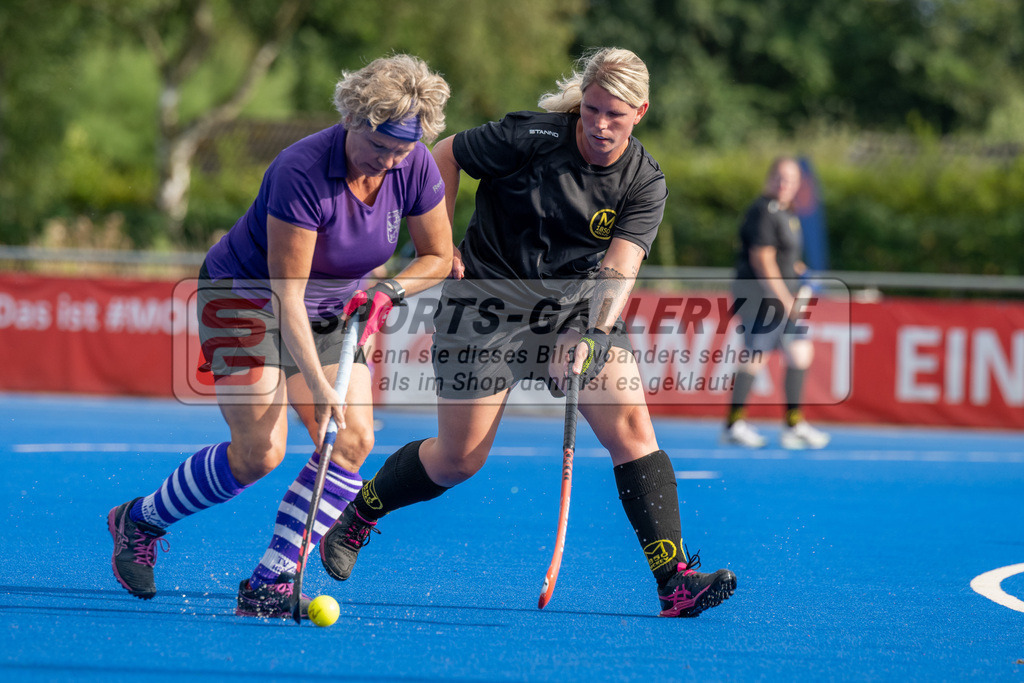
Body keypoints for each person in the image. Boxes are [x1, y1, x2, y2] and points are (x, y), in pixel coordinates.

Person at [318, 47, 737, 618]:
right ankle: (362, 511)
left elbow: (619, 269)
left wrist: (591, 333)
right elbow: (443, 154)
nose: (600, 125)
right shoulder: (530, 135)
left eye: (615, 114)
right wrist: (435, 243)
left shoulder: (644, 181)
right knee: (459, 460)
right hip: (483, 307)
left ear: (641, 111)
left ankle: (674, 580)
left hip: (572, 314)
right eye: (591, 110)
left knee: (634, 427)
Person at [107, 54, 453, 618]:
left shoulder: (413, 165)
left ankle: (273, 577)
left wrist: (390, 291)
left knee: (351, 440)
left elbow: (439, 256)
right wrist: (319, 383)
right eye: (380, 147)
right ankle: (139, 520)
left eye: (402, 149)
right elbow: (287, 297)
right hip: (248, 299)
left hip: (338, 305)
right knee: (259, 453)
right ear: (354, 122)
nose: (390, 162)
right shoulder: (302, 170)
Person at [721, 157, 831, 450]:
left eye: (791, 180)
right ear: (770, 179)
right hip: (761, 297)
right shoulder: (764, 211)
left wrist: (802, 272)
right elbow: (763, 259)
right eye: (780, 178)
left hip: (781, 297)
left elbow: (785, 259)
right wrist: (785, 298)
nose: (784, 184)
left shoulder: (786, 212)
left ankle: (794, 425)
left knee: (800, 353)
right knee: (756, 356)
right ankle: (734, 424)